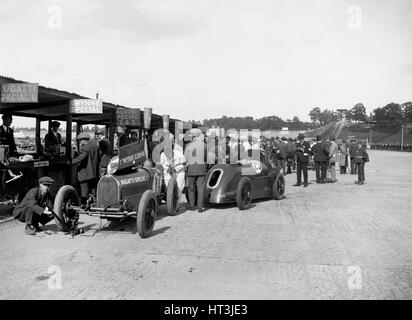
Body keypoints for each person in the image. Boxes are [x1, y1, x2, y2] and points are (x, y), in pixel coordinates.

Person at [72, 133, 100, 204]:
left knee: (84, 191)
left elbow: (81, 158)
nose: (80, 142)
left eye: (81, 140)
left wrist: (70, 162)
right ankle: (94, 203)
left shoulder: (85, 148)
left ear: (85, 140)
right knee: (93, 189)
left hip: (85, 173)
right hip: (93, 172)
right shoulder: (95, 146)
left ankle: (84, 204)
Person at [185, 133, 208, 212]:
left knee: (191, 188)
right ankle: (200, 207)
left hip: (191, 169)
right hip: (201, 169)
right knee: (200, 188)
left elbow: (186, 158)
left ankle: (191, 205)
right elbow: (206, 158)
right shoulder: (204, 145)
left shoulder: (188, 145)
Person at [160, 139, 186, 207]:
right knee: (169, 189)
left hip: (179, 173)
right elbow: (162, 164)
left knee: (179, 189)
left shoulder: (179, 154)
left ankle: (177, 205)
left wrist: (176, 168)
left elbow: (184, 164)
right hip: (168, 173)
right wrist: (167, 168)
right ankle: (170, 204)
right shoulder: (163, 155)